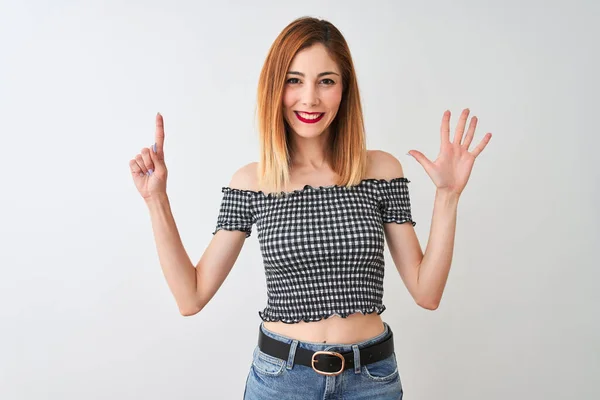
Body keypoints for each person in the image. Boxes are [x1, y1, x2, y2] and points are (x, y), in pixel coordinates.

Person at [128, 16, 491, 400]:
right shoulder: (253, 181)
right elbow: (192, 296)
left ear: (344, 89)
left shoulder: (381, 171)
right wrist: (156, 199)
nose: (310, 98)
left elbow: (427, 292)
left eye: (327, 81)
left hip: (371, 382)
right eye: (294, 80)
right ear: (275, 88)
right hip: (281, 382)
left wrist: (447, 195)